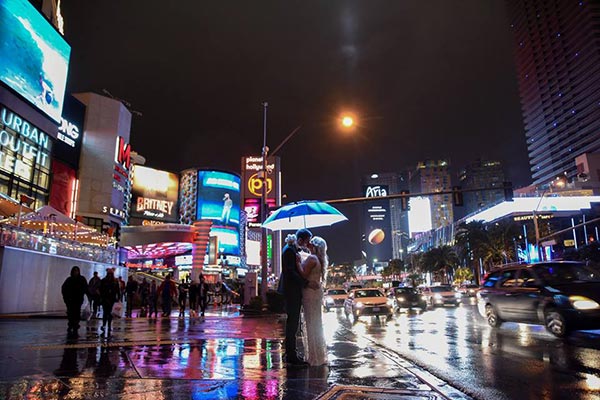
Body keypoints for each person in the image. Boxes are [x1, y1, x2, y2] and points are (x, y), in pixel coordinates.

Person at [281, 228, 315, 366]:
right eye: (306, 241)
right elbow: (290, 273)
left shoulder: (291, 249)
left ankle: (290, 353)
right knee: (292, 324)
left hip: (292, 291)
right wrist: (306, 283)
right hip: (291, 291)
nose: (307, 245)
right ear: (300, 239)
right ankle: (291, 355)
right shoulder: (290, 250)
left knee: (293, 323)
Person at [297, 236, 329, 366]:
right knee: (316, 323)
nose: (308, 244)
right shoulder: (320, 260)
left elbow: (303, 274)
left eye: (311, 244)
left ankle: (313, 357)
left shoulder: (311, 258)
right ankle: (318, 355)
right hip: (316, 292)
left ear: (314, 247)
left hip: (310, 293)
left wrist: (298, 262)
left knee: (310, 323)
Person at [61, 266, 88, 334]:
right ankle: (72, 324)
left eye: (77, 271)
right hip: (71, 300)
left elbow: (85, 288)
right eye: (74, 271)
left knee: (76, 312)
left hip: (77, 299)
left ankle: (74, 324)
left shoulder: (80, 279)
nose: (76, 272)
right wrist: (66, 298)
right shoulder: (70, 279)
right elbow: (64, 289)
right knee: (71, 313)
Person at [99, 268, 120, 335]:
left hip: (112, 299)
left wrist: (118, 298)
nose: (110, 275)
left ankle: (108, 325)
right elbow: (101, 289)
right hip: (106, 298)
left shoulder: (114, 281)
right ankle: (105, 325)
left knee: (110, 313)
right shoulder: (104, 281)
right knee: (106, 312)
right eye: (109, 274)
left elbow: (118, 290)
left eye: (111, 274)